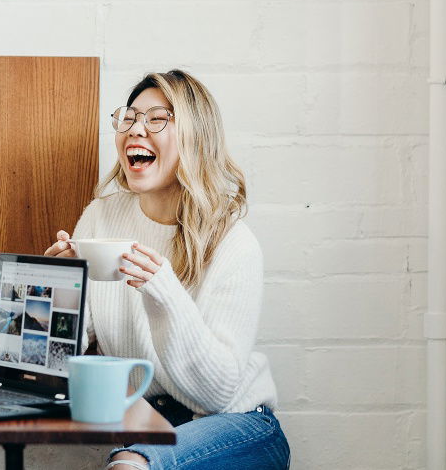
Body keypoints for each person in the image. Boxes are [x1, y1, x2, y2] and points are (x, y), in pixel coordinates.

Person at [44, 70, 290, 469]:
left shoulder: (232, 241)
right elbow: (64, 350)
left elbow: (216, 395)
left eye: (157, 119)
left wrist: (164, 293)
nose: (136, 129)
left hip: (237, 426)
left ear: (195, 138)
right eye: (129, 118)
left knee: (130, 465)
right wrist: (59, 290)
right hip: (148, 423)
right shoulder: (100, 217)